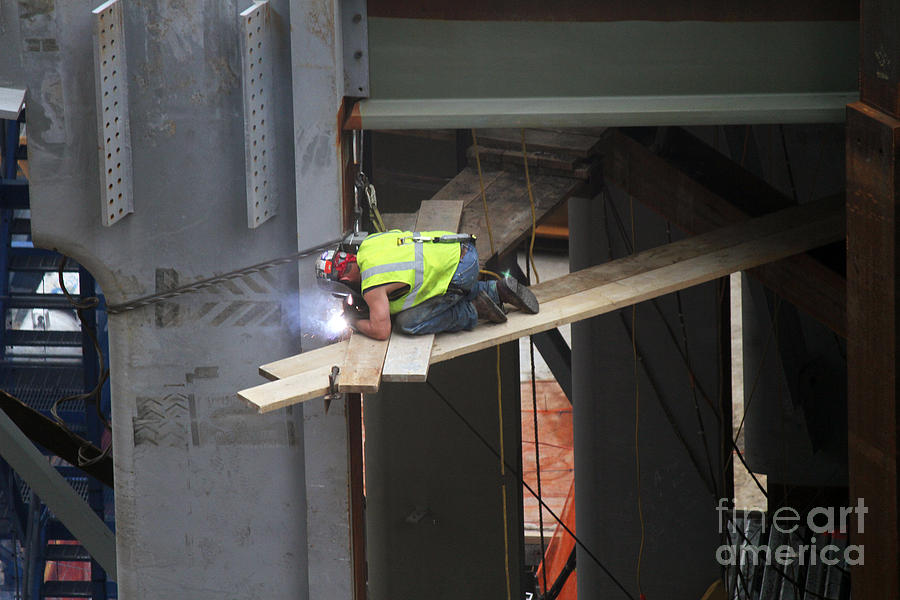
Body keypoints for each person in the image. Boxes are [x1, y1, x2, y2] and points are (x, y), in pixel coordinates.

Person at [323, 230, 539, 340]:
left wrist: (353, 321)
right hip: (462, 249)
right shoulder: (370, 244)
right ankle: (496, 291)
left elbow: (381, 331)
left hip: (459, 274)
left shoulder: (372, 286)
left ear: (343, 282)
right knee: (428, 286)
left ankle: (473, 310)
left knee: (407, 322)